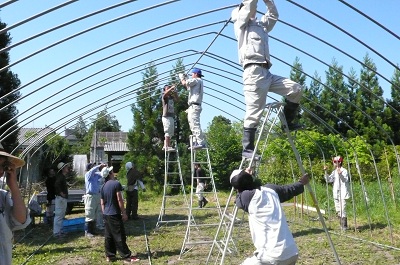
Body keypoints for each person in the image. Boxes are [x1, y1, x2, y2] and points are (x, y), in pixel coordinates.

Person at [231, 0, 303, 160]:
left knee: (295, 89)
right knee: (255, 111)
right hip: (253, 71)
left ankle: (287, 123)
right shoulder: (241, 23)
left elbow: (273, 15)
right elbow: (248, 6)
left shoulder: (260, 26)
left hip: (267, 71)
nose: (255, 10)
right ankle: (248, 148)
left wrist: (268, 1)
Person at [230, 168, 310, 265]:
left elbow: (238, 199)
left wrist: (245, 177)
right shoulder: (271, 189)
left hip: (271, 256)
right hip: (291, 252)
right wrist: (301, 182)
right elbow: (289, 190)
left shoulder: (245, 198)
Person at [100, 166, 140, 263]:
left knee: (109, 236)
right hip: (114, 213)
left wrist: (104, 214)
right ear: (110, 174)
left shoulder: (103, 186)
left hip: (106, 214)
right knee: (120, 235)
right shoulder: (116, 184)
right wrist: (124, 212)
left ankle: (110, 255)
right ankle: (126, 256)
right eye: (112, 171)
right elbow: (119, 199)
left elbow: (102, 203)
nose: (113, 172)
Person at [0, 143, 31, 265]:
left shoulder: (3, 196)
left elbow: (21, 220)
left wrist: (13, 185)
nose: (1, 171)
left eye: (3, 166)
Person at [179, 68, 206, 149]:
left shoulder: (197, 80)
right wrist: (186, 78)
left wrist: (182, 78)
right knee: (192, 124)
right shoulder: (198, 82)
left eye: (192, 74)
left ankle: (201, 142)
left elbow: (185, 83)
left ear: (195, 74)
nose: (191, 75)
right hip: (194, 106)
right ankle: (195, 141)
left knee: (195, 124)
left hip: (194, 106)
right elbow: (188, 86)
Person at [324, 156, 350, 230]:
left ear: (340, 162)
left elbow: (345, 180)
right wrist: (326, 172)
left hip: (343, 193)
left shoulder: (344, 171)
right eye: (334, 162)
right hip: (336, 193)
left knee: (343, 209)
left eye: (335, 162)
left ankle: (344, 227)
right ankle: (341, 225)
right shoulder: (334, 171)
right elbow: (328, 180)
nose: (334, 163)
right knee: (338, 210)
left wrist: (340, 174)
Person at [84, 162, 106, 237]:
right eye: (93, 166)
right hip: (90, 196)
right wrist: (99, 166)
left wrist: (105, 168)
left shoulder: (96, 175)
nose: (95, 167)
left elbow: (103, 174)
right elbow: (92, 171)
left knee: (96, 213)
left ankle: (93, 230)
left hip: (96, 195)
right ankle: (87, 231)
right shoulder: (88, 175)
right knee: (90, 213)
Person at [53, 162, 70, 238]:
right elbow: (56, 185)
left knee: (61, 215)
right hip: (60, 198)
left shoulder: (62, 176)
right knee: (59, 216)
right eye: (66, 167)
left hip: (62, 198)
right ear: (63, 169)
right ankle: (56, 233)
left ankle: (60, 231)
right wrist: (61, 193)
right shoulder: (60, 177)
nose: (67, 168)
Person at [162, 84, 178, 151]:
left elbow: (177, 99)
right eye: (167, 88)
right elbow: (166, 94)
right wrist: (171, 88)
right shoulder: (164, 96)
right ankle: (167, 145)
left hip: (171, 116)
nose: (169, 89)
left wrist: (175, 92)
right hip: (166, 116)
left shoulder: (171, 97)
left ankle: (166, 144)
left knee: (171, 132)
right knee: (167, 130)